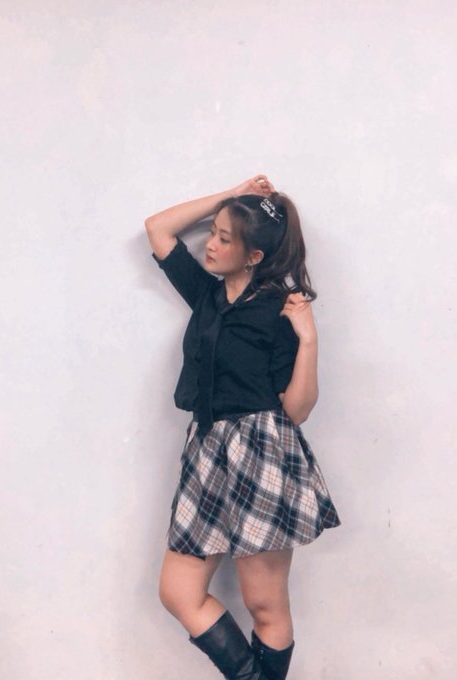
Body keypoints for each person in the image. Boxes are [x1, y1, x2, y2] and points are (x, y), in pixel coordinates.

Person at [145, 174, 341, 679]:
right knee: (179, 592)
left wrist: (308, 339)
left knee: (264, 604)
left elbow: (297, 410)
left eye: (225, 238)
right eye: (213, 232)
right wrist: (230, 196)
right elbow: (158, 228)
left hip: (262, 451)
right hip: (206, 450)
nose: (210, 244)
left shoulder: (279, 311)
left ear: (254, 256)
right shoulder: (206, 295)